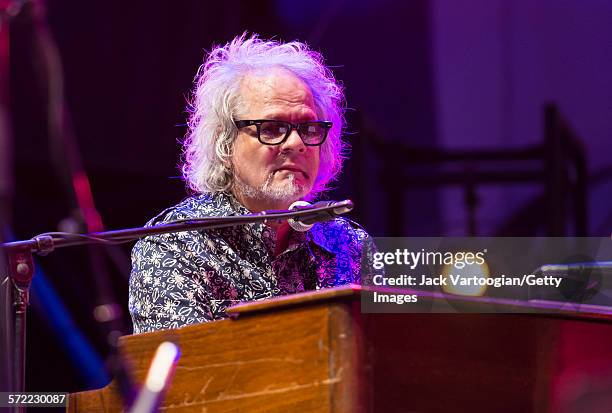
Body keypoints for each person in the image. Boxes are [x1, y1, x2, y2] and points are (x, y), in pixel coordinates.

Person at [129, 33, 373, 333]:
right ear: (225, 141)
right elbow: (188, 375)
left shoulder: (351, 245)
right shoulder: (176, 245)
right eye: (271, 128)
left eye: (308, 128)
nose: (297, 144)